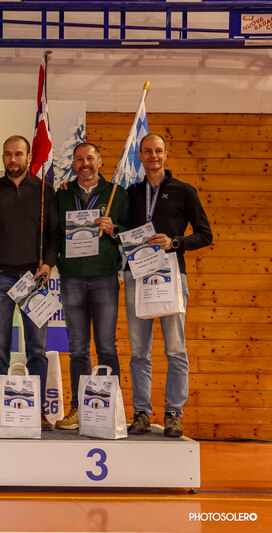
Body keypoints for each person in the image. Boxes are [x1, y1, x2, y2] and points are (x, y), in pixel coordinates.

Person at [0, 135, 61, 430]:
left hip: (33, 278)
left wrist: (47, 264)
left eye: (18, 154)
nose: (12, 159)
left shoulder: (45, 192)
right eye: (8, 154)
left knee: (37, 349)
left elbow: (54, 236)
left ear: (29, 157)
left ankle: (38, 411)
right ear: (3, 157)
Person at [124, 134, 212, 438]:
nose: (153, 156)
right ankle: (141, 413)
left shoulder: (184, 191)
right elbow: (121, 229)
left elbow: (205, 234)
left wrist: (175, 242)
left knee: (175, 349)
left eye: (158, 151)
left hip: (171, 277)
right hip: (137, 278)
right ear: (140, 155)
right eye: (147, 151)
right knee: (139, 351)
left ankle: (174, 413)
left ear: (166, 155)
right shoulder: (131, 193)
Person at [54, 143, 129, 430]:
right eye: (79, 159)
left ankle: (111, 409)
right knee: (78, 348)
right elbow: (54, 233)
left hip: (104, 278)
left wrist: (114, 229)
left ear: (99, 160)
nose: (84, 164)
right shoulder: (62, 194)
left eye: (89, 158)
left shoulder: (116, 194)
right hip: (71, 277)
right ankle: (78, 409)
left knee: (106, 346)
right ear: (73, 164)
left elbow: (132, 232)